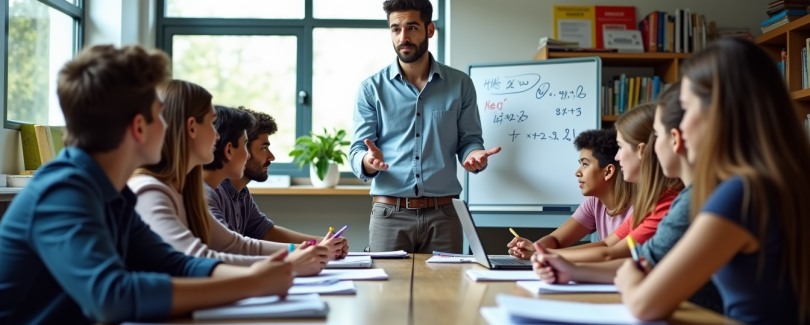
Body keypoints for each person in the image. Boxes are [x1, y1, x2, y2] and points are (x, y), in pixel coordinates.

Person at [0, 45, 294, 325]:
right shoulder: (63, 191)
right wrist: (252, 284)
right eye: (160, 116)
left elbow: (175, 263)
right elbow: (112, 296)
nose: (169, 127)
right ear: (139, 127)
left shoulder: (113, 193)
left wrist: (259, 275)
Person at [614, 38, 810, 325]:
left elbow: (645, 305)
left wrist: (630, 279)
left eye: (686, 108)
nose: (681, 126)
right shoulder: (781, 178)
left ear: (717, 111)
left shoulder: (740, 193)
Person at [532, 82, 723, 313]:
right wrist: (569, 269)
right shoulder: (658, 202)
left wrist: (551, 257)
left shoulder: (679, 203)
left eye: (621, 147)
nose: (617, 157)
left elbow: (632, 268)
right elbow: (633, 259)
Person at [128, 80, 328, 275]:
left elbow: (235, 245)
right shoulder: (150, 190)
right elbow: (197, 260)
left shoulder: (188, 189)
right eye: (211, 124)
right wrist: (286, 264)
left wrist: (300, 252)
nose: (218, 136)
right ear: (192, 127)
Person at [350, 0, 500, 253]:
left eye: (412, 28)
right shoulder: (370, 89)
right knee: (386, 281)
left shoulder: (460, 84)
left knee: (447, 281)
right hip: (389, 214)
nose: (403, 37)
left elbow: (469, 141)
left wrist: (474, 155)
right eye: (396, 29)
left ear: (429, 30)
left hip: (445, 215)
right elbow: (357, 151)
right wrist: (368, 161)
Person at [542, 104, 683, 263]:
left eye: (621, 147)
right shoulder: (650, 202)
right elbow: (606, 246)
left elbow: (610, 254)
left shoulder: (666, 203)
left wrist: (544, 255)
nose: (617, 157)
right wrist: (541, 251)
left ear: (642, 151)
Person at [203, 105, 348, 259]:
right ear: (228, 150)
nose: (271, 157)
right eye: (263, 148)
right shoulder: (205, 195)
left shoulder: (240, 193)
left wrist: (319, 243)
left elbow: (263, 231)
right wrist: (311, 249)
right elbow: (233, 247)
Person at [507, 129, 635, 258]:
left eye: (585, 164)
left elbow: (606, 251)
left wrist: (542, 253)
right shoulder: (594, 203)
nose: (577, 172)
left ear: (608, 172)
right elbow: (556, 239)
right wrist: (535, 247)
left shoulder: (638, 209)